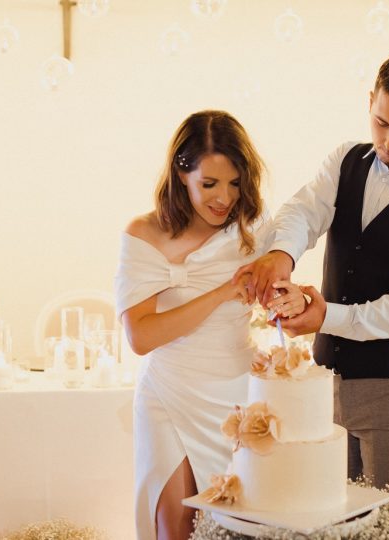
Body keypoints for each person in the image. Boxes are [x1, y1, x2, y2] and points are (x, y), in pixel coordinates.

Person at [246, 50, 389, 539]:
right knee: (332, 526)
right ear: (370, 100)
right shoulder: (345, 160)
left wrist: (326, 317)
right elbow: (303, 211)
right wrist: (282, 255)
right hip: (329, 382)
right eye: (381, 123)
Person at [115, 110, 305, 540]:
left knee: (236, 522)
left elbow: (276, 298)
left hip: (236, 392)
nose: (224, 198)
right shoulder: (144, 233)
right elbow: (141, 336)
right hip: (170, 389)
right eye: (210, 184)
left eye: (235, 183)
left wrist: (291, 299)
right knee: (177, 525)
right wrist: (221, 293)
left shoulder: (254, 227)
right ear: (182, 174)